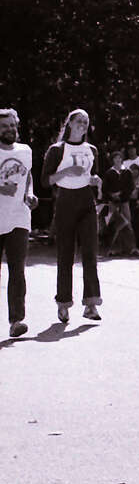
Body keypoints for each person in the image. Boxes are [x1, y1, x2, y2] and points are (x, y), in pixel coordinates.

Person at [42, 108, 103, 323]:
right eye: (79, 121)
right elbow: (45, 181)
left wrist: (95, 180)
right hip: (66, 202)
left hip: (87, 202)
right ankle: (63, 304)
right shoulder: (57, 150)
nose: (83, 125)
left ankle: (92, 304)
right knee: (65, 255)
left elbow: (93, 174)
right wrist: (67, 171)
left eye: (86, 122)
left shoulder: (92, 149)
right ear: (69, 123)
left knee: (90, 254)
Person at [0, 109, 37, 337]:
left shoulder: (25, 151)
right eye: (5, 126)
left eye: (13, 125)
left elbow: (28, 176)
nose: (10, 129)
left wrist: (29, 193)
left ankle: (17, 321)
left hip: (19, 217)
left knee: (17, 271)